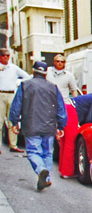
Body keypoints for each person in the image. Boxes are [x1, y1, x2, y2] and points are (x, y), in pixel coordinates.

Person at [9, 61, 66, 191]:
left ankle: (41, 170)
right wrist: (61, 126)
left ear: (33, 71)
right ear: (46, 73)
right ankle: (46, 178)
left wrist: (14, 122)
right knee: (47, 153)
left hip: (31, 124)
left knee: (33, 151)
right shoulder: (53, 87)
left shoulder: (25, 85)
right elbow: (61, 108)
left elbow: (16, 105)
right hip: (49, 125)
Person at [0, 48, 31, 154]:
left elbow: (27, 77)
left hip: (11, 94)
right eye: (4, 55)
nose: (6, 57)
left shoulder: (13, 68)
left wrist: (18, 84)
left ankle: (13, 145)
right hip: (0, 94)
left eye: (7, 55)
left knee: (12, 121)